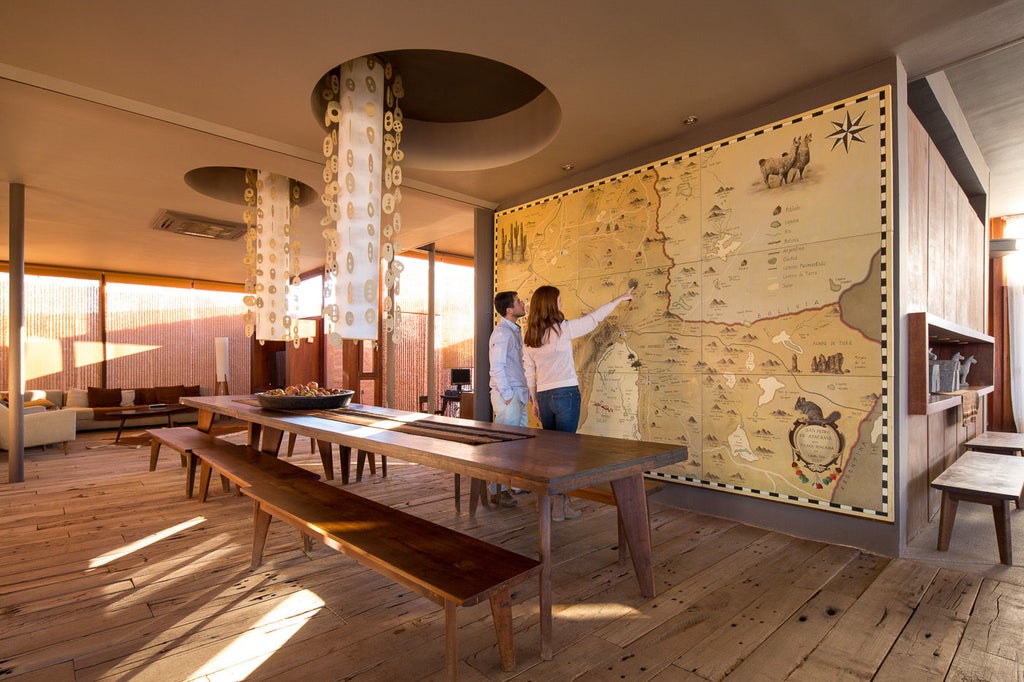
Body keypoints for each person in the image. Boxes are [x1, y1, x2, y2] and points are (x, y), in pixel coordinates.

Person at [523, 284, 634, 520]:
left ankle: (552, 506)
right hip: (566, 394)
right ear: (551, 304)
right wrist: (619, 299)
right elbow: (593, 319)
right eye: (560, 300)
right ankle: (561, 508)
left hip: (544, 397)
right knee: (565, 456)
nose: (562, 303)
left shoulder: (530, 337)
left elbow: (528, 371)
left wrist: (534, 400)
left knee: (551, 455)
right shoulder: (562, 329)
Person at [487, 290, 529, 507]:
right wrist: (508, 395)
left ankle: (515, 484)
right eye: (519, 301)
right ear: (510, 309)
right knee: (504, 445)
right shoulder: (502, 334)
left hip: (518, 395)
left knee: (518, 444)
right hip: (509, 397)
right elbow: (497, 368)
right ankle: (497, 490)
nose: (523, 303)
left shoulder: (514, 331)